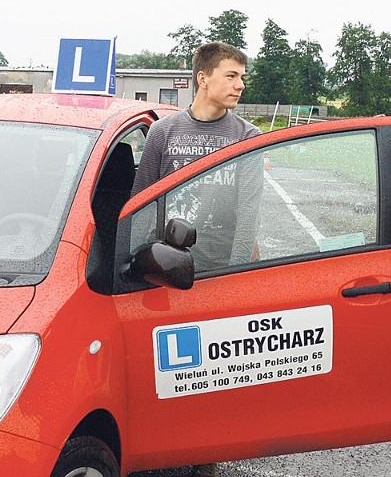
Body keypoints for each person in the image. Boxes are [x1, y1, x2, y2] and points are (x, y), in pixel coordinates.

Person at [131, 42, 263, 477]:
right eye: (231, 75)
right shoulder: (164, 134)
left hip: (217, 271)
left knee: (211, 371)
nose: (240, 85)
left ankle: (203, 453)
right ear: (203, 77)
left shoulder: (246, 138)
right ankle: (159, 445)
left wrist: (238, 273)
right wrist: (134, 263)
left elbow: (249, 212)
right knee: (164, 363)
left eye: (243, 77)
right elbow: (141, 204)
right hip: (165, 269)